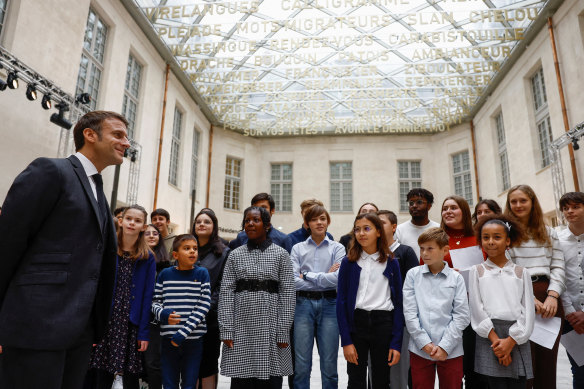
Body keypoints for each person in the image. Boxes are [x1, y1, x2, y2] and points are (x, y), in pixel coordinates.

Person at [0, 111, 129, 389]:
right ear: (90, 135)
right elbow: (8, 243)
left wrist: (94, 325)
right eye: (118, 135)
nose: (126, 143)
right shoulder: (50, 170)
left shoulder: (99, 191)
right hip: (35, 325)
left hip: (79, 332)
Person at [219, 206, 295, 388]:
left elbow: (288, 294)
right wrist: (226, 329)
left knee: (271, 380)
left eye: (256, 220)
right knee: (241, 381)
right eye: (247, 221)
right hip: (241, 327)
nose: (250, 224)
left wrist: (283, 330)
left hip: (271, 328)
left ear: (267, 225)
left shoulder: (281, 255)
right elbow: (226, 293)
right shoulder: (235, 255)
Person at [87, 205, 156, 389]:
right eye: (129, 219)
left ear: (143, 227)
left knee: (129, 374)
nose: (132, 223)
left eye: (138, 221)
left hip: (130, 322)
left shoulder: (147, 257)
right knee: (100, 371)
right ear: (120, 221)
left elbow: (147, 296)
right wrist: (93, 324)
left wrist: (143, 332)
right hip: (107, 320)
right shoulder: (108, 249)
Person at [504, 184, 565, 389]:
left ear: (532, 202)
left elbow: (558, 265)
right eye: (514, 201)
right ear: (509, 204)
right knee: (524, 366)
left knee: (547, 366)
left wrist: (553, 296)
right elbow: (507, 269)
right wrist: (528, 299)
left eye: (523, 200)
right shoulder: (506, 234)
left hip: (548, 298)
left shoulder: (549, 232)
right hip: (519, 298)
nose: (518, 205)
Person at [336, 213, 403, 389]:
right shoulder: (348, 262)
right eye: (357, 229)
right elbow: (341, 303)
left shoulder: (391, 262)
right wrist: (346, 341)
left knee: (381, 379)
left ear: (379, 232)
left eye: (367, 229)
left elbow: (399, 303)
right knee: (356, 379)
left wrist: (396, 342)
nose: (361, 233)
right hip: (357, 324)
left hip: (383, 323)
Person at [469, 215, 534, 388]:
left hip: (516, 336)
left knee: (518, 384)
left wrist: (510, 341)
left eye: (497, 237)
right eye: (486, 237)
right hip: (489, 337)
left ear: (508, 241)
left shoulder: (521, 272)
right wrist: (496, 341)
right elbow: (476, 308)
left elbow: (528, 311)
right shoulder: (477, 271)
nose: (491, 241)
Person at [403, 227, 469, 389]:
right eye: (422, 249)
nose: (424, 253)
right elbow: (410, 313)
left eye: (430, 248)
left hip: (451, 349)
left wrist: (445, 346)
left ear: (445, 250)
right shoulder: (412, 275)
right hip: (420, 348)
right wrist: (424, 342)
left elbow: (462, 315)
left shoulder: (456, 278)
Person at [291, 204, 345, 389]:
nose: (319, 222)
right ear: (307, 224)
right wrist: (325, 276)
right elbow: (292, 281)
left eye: (322, 218)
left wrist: (306, 275)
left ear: (328, 221)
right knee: (301, 365)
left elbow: (338, 280)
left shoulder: (338, 248)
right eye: (314, 219)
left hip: (330, 304)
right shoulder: (297, 248)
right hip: (302, 304)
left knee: (329, 365)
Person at [152, 234, 211, 389]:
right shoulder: (165, 275)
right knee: (169, 383)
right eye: (187, 248)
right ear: (175, 255)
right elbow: (155, 302)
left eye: (195, 248)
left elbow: (204, 304)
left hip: (193, 340)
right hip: (168, 341)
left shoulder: (202, 273)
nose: (192, 251)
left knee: (189, 384)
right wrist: (163, 315)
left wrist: (183, 333)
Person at [439, 195, 485, 388]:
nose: (448, 211)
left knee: (474, 369)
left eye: (454, 207)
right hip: (446, 311)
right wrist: (445, 272)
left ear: (465, 211)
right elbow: (422, 270)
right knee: (451, 369)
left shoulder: (479, 236)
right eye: (445, 208)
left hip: (476, 308)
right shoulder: (437, 238)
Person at [377, 210, 418, 389]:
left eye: (382, 223)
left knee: (399, 370)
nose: (378, 226)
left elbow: (415, 286)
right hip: (376, 319)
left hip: (399, 319)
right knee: (377, 370)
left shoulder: (405, 252)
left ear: (394, 227)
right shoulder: (370, 253)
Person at [191, 209, 230, 389]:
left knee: (208, 364)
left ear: (213, 227)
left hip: (210, 318)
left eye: (207, 222)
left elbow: (223, 285)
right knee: (189, 365)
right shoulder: (186, 248)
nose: (202, 224)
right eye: (199, 221)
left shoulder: (223, 253)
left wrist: (205, 307)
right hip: (186, 317)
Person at [557, 192, 584, 388]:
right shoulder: (557, 240)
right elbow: (558, 277)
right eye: (566, 208)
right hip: (570, 320)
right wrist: (570, 314)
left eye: (575, 206)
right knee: (579, 372)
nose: (570, 211)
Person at [143, 224, 173, 389]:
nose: (152, 235)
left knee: (154, 362)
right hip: (136, 316)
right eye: (147, 233)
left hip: (156, 319)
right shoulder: (134, 258)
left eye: (155, 233)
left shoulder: (166, 264)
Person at [395, 188, 439, 259]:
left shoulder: (438, 229)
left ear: (429, 206)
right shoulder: (399, 230)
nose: (414, 206)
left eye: (419, 202)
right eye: (411, 203)